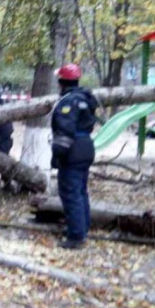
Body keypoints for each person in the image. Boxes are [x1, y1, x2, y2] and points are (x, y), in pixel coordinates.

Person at [50, 64, 98, 250]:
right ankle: (82, 227)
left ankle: (76, 236)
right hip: (86, 147)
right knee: (80, 191)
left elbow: (64, 132)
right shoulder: (85, 97)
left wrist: (57, 156)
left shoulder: (68, 102)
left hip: (73, 150)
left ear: (61, 81)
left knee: (70, 193)